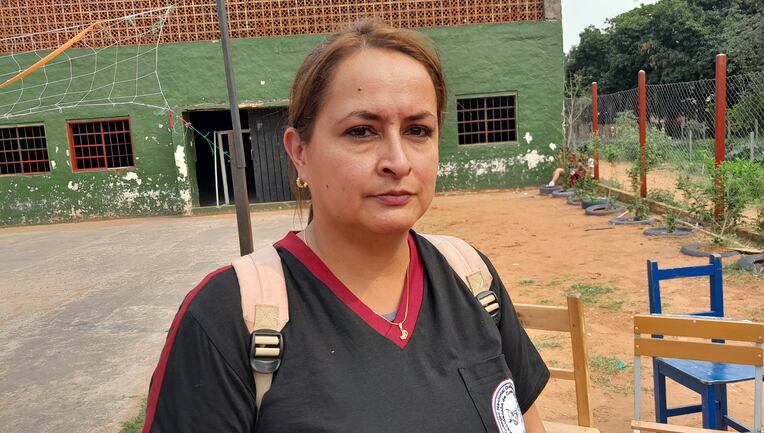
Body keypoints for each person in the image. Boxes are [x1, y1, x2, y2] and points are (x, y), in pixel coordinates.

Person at [141, 19, 549, 433]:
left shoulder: (472, 278)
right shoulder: (227, 317)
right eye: (361, 131)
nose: (398, 161)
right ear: (300, 153)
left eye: (418, 130)